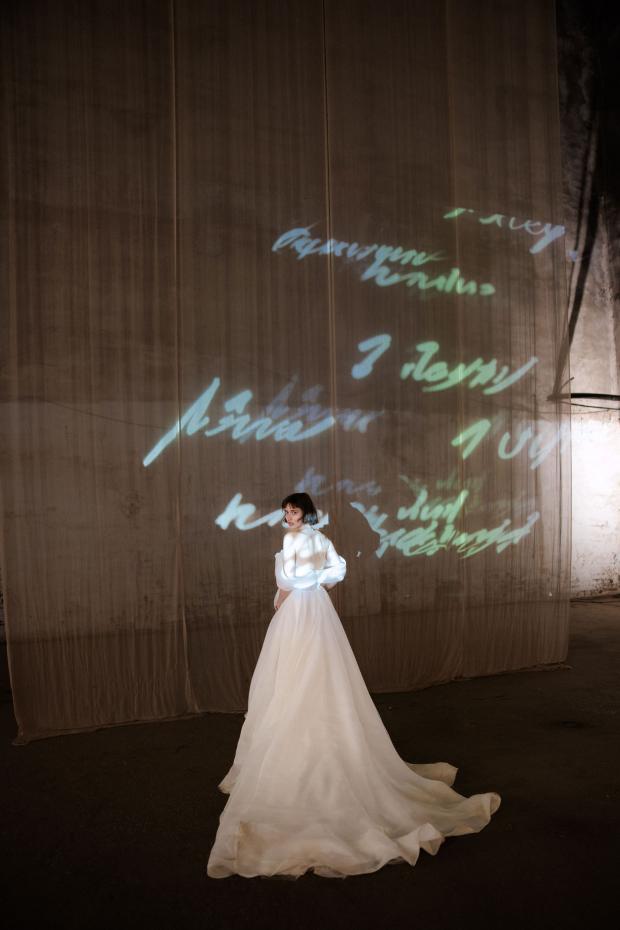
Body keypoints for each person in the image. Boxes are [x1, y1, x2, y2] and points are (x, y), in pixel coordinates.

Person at [207, 492, 500, 879]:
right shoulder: (313, 538)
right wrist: (313, 584)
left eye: (293, 511)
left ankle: (308, 743)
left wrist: (289, 588)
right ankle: (312, 734)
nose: (288, 517)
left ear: (304, 513)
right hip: (312, 609)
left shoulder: (299, 539)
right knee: (307, 671)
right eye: (286, 512)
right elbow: (335, 570)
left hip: (300, 610)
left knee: (301, 671)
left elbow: (296, 577)